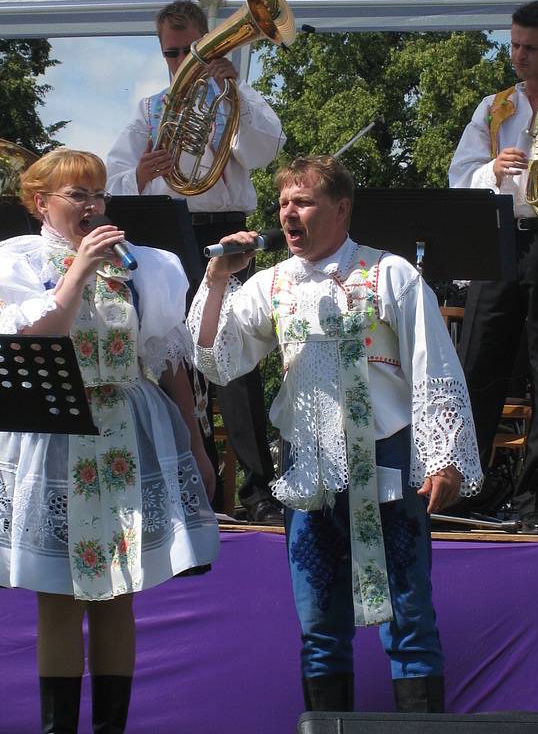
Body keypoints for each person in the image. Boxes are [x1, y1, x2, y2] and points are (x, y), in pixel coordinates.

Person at [188, 155, 482, 713]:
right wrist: (219, 276)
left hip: (389, 459)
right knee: (319, 627)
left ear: (342, 208)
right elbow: (215, 358)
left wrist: (443, 456)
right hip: (308, 465)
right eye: (283, 204)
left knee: (407, 616)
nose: (288, 214)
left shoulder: (388, 271)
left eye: (303, 202)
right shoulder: (271, 283)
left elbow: (434, 363)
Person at [0, 148, 219, 733]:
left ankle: (110, 729)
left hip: (125, 430)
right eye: (77, 195)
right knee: (60, 596)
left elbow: (167, 363)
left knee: (119, 591)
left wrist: (197, 449)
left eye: (98, 194)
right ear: (40, 202)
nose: (93, 205)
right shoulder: (17, 263)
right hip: (55, 432)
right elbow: (39, 335)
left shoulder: (144, 265)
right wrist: (78, 270)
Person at [106, 0, 285, 524]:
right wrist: (139, 176)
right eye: (171, 53)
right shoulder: (149, 109)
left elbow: (265, 151)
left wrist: (235, 94)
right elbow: (114, 179)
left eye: (191, 50)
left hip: (228, 227)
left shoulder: (237, 98)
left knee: (235, 358)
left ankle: (257, 489)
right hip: (167, 231)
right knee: (176, 360)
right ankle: (195, 485)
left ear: (210, 43)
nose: (182, 61)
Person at [449, 0, 538, 534]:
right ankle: (465, 491)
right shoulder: (493, 107)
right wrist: (491, 170)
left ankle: (533, 503)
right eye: (514, 45)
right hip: (500, 239)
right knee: (478, 362)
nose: (518, 56)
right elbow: (459, 176)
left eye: (529, 47)